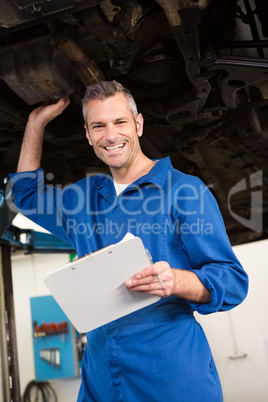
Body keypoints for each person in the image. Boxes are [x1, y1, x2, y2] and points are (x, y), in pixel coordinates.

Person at [9, 80, 248, 401]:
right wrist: (36, 122)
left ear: (138, 125)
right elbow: (26, 196)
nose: (110, 135)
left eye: (119, 122)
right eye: (98, 126)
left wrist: (177, 280)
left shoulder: (184, 191)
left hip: (170, 368)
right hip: (102, 370)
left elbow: (232, 282)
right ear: (87, 134)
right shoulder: (83, 199)